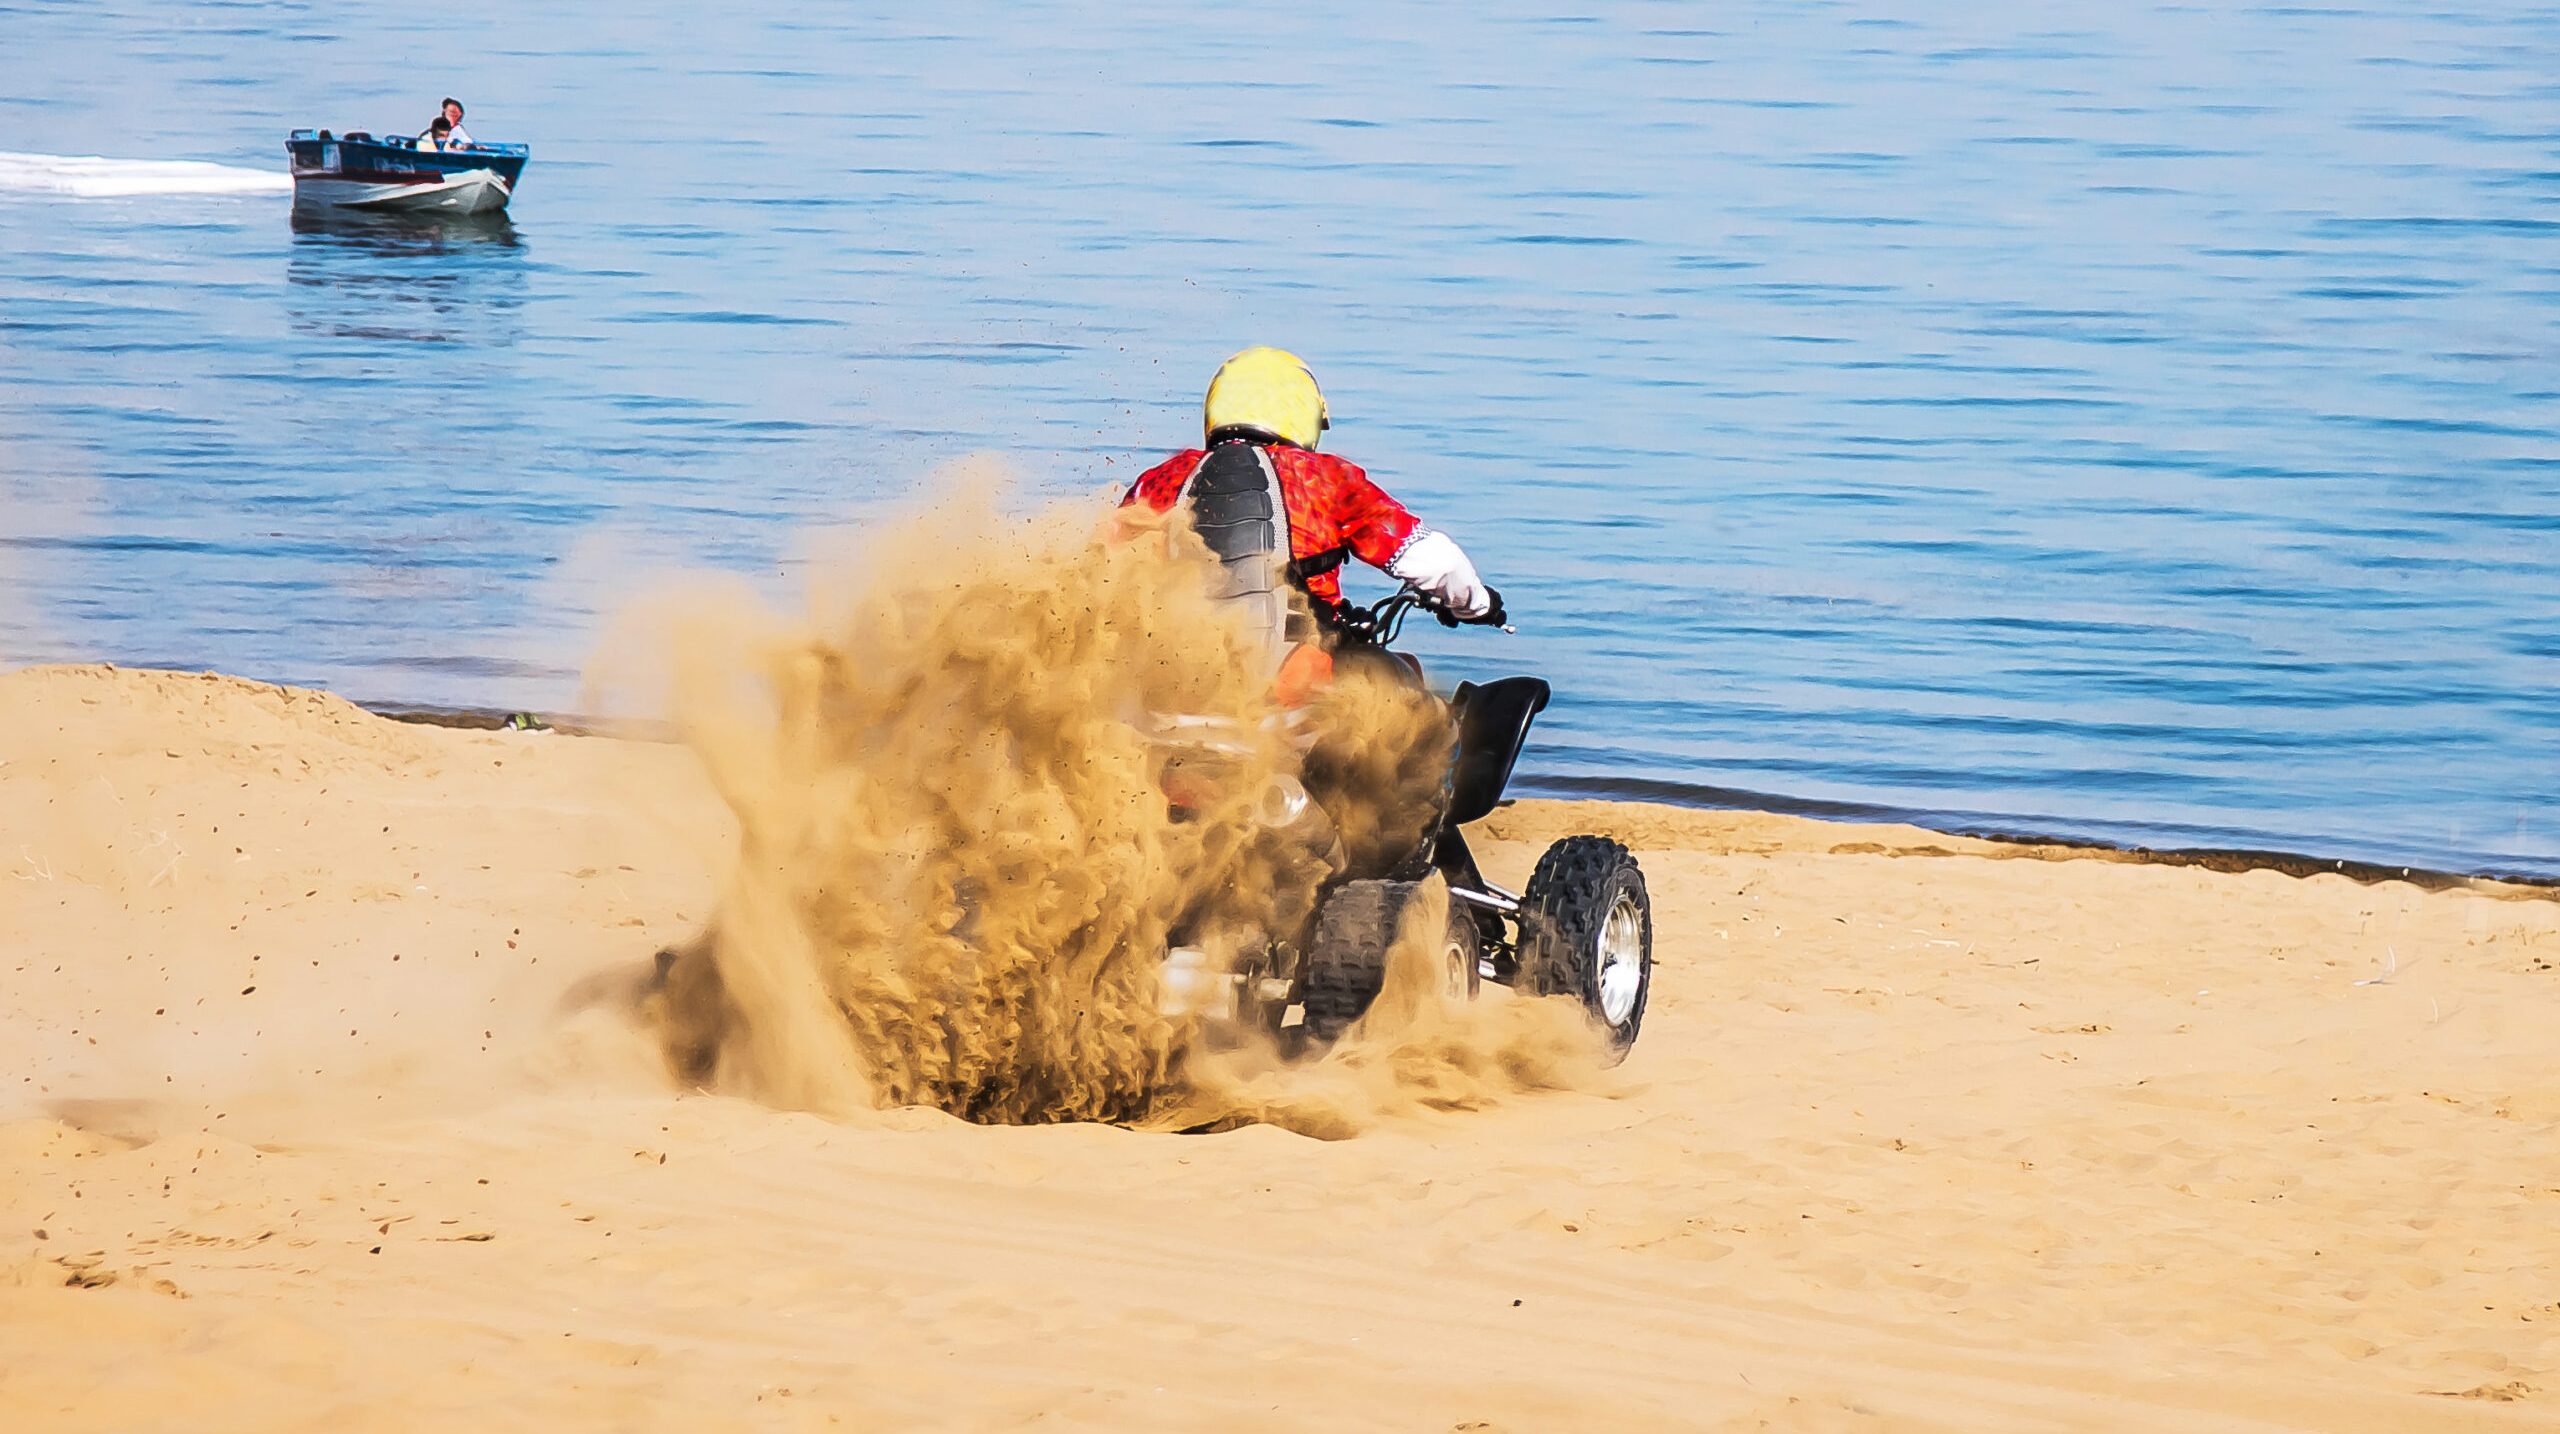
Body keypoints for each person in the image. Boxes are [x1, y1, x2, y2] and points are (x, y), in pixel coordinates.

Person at [1119, 347, 1501, 694]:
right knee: (1404, 676)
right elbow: (1437, 561)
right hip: (1293, 674)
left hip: (1174, 676)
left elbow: (1105, 563)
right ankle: (1427, 768)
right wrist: (1476, 605)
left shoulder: (1160, 480)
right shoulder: (1325, 479)